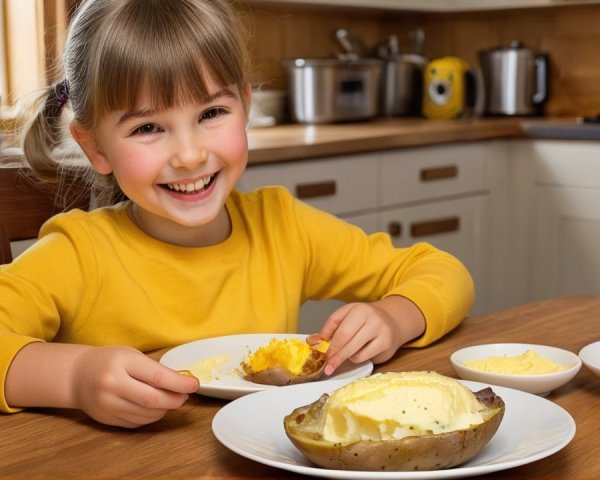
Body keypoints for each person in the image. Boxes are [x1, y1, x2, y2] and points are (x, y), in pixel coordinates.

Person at [0, 0, 474, 429]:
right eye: (148, 127)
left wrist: (394, 317)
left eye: (211, 113)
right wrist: (75, 378)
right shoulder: (80, 254)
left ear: (245, 107)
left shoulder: (281, 226)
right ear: (96, 146)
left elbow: (443, 271)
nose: (188, 155)